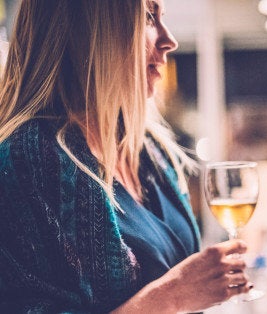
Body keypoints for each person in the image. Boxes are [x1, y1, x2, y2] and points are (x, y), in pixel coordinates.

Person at [0, 0, 252, 312]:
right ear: (89, 31)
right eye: (148, 17)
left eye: (162, 17)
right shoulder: (27, 162)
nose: (168, 39)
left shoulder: (150, 149)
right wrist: (171, 296)